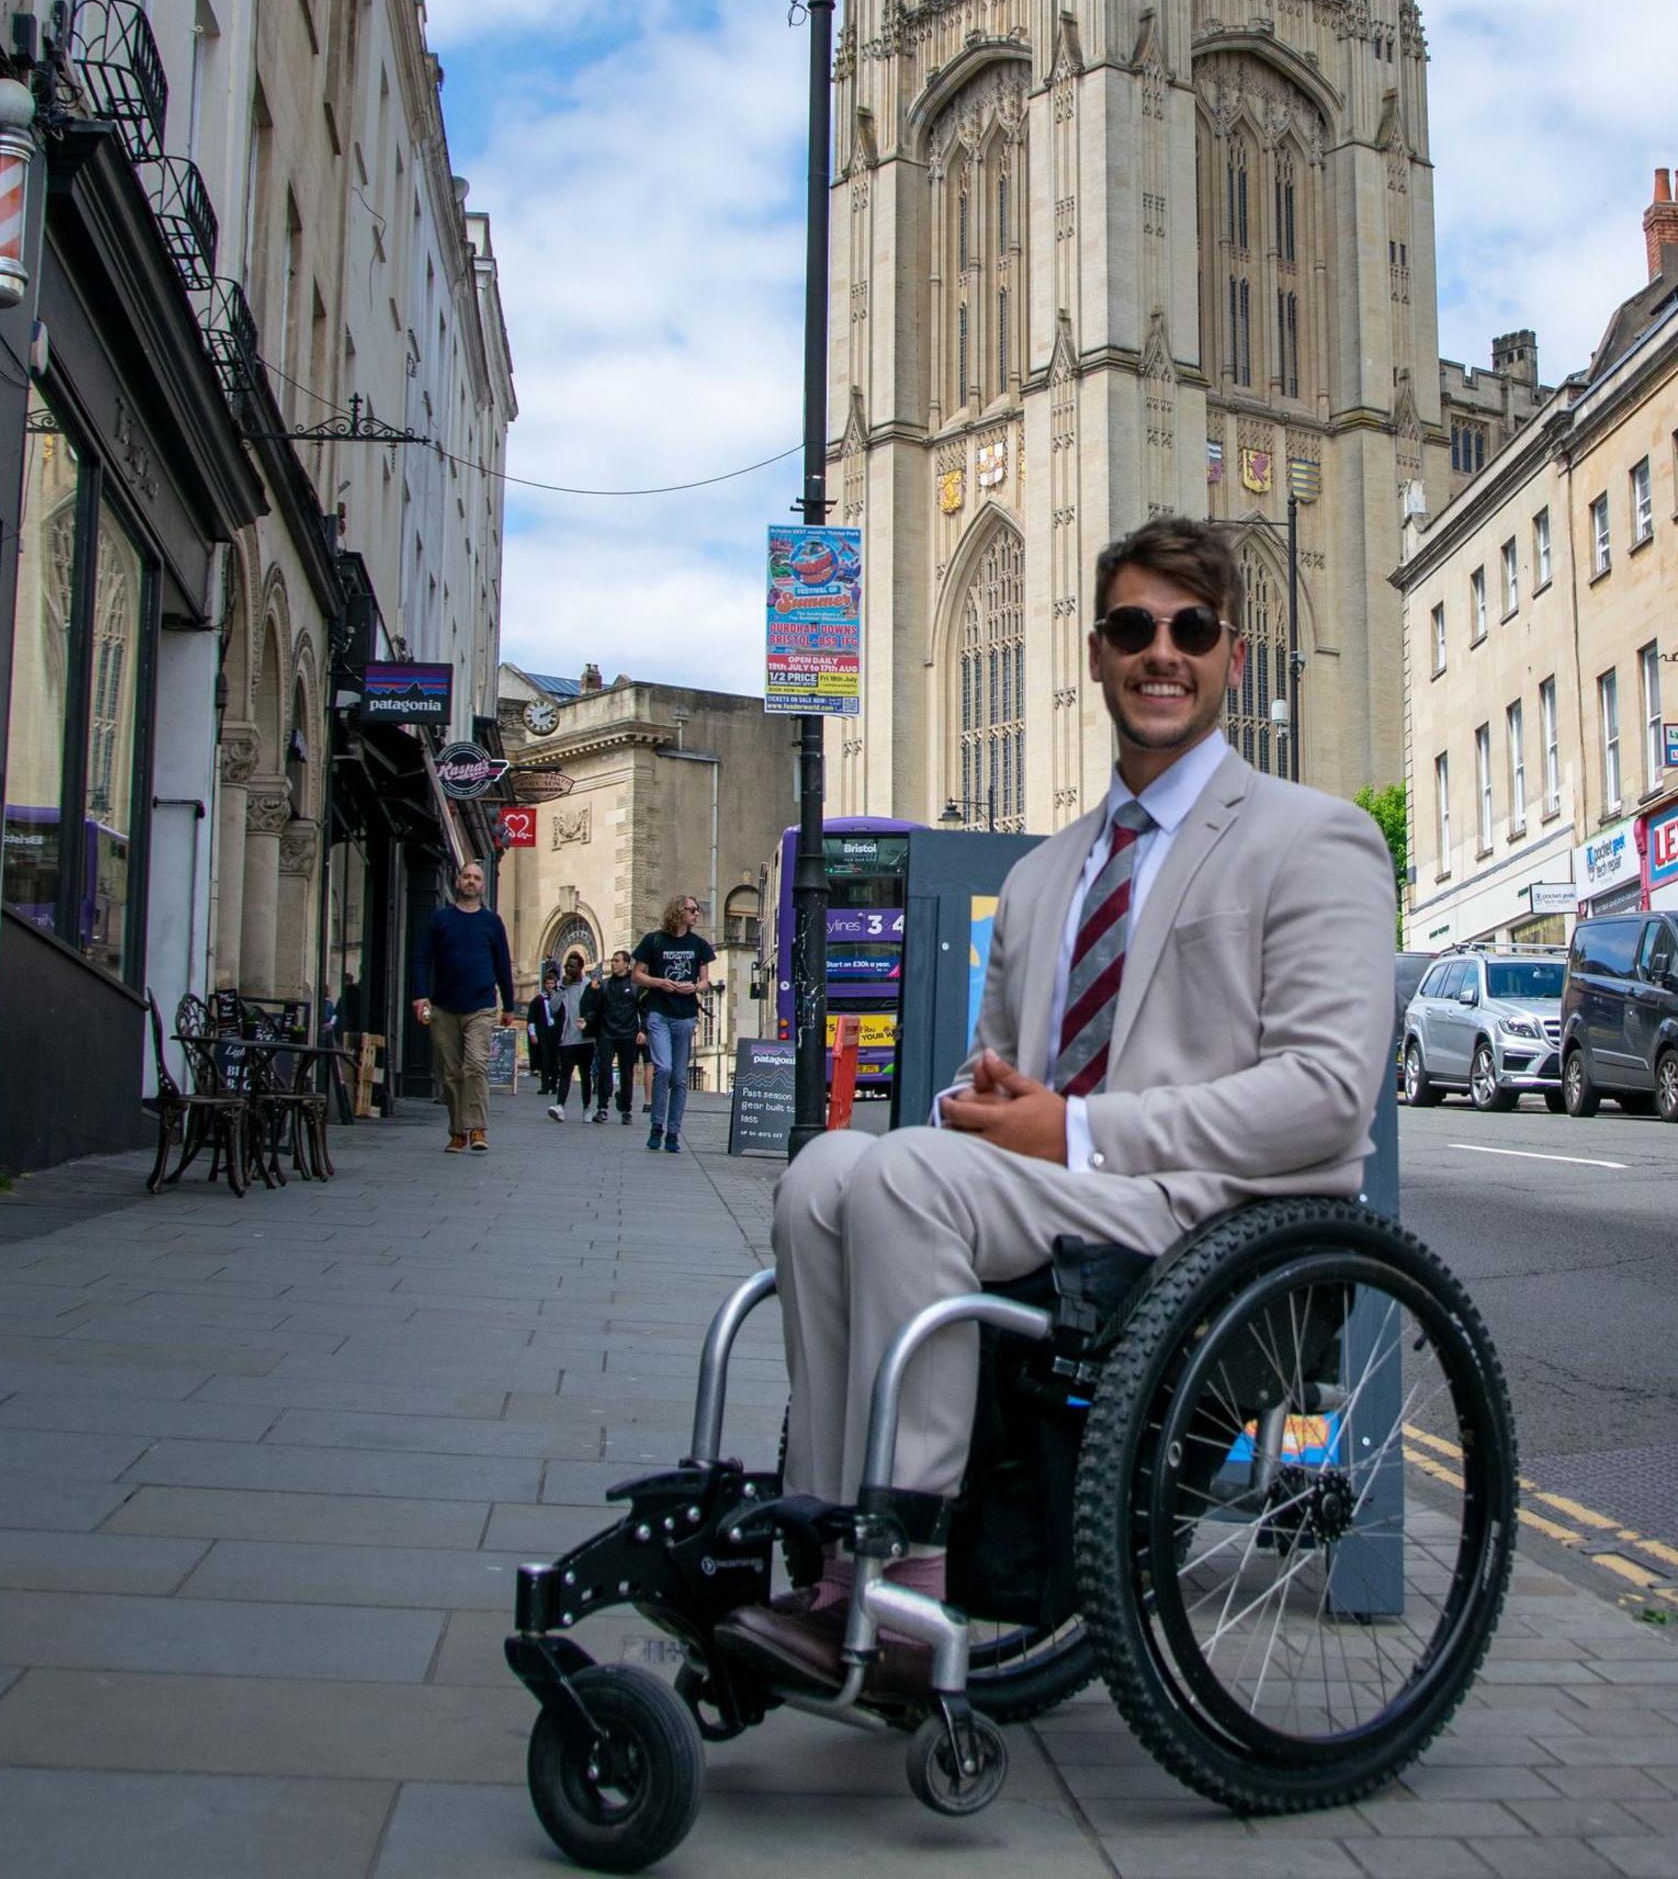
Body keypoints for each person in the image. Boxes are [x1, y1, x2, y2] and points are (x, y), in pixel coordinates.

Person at [726, 517, 1394, 1696]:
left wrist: (1077, 1129)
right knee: (829, 1169)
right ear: (1094, 653)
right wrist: (989, 1105)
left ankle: (906, 1578)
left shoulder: (1313, 839)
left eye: (1191, 630)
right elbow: (1003, 1074)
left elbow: (1329, 1097)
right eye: (1134, 628)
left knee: (893, 1174)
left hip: (1211, 1217)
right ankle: (835, 1554)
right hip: (1055, 1198)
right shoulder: (1043, 875)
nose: (1162, 654)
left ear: (1232, 656)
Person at [408, 859, 516, 1153]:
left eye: (476, 878)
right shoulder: (441, 919)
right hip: (443, 1006)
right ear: (458, 882)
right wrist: (420, 995)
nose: (470, 881)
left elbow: (502, 963)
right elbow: (421, 959)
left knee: (476, 1065)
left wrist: (509, 1005)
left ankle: (478, 1129)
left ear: (482, 886)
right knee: (451, 1072)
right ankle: (457, 1131)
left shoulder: (491, 922)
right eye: (466, 876)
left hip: (480, 1006)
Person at [631, 896, 718, 1153]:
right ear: (679, 911)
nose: (696, 915)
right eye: (692, 910)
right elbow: (637, 975)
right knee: (664, 1068)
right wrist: (659, 982)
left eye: (697, 911)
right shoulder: (653, 941)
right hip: (659, 1013)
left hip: (685, 1015)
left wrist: (694, 987)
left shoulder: (698, 945)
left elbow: (704, 981)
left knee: (680, 1078)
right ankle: (656, 1125)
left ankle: (673, 1132)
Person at [586, 950, 647, 1127]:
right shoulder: (605, 985)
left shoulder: (635, 985)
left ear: (626, 964)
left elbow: (644, 1010)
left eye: (617, 961)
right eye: (612, 960)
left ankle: (626, 1110)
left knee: (627, 1073)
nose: (613, 964)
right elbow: (596, 1010)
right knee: (604, 1070)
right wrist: (587, 1021)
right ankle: (602, 1108)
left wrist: (643, 1030)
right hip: (608, 1034)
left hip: (628, 1035)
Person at [534, 951, 594, 1121]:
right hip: (566, 1037)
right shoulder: (561, 985)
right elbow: (553, 1007)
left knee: (585, 1073)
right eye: (567, 965)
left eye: (572, 966)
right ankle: (560, 1106)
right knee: (565, 1073)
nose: (568, 968)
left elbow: (594, 1008)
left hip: (585, 1038)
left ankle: (587, 1108)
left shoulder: (589, 985)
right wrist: (561, 988)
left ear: (580, 968)